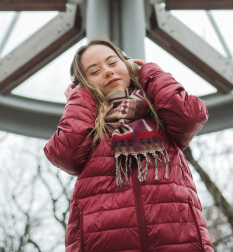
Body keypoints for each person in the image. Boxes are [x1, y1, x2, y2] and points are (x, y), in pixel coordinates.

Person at [44, 38, 214, 252]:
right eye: (94, 72)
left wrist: (151, 74)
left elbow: (189, 115)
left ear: (129, 65)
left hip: (180, 240)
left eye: (112, 63)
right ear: (85, 85)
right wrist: (79, 98)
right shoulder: (92, 129)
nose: (107, 72)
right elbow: (65, 153)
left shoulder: (159, 117)